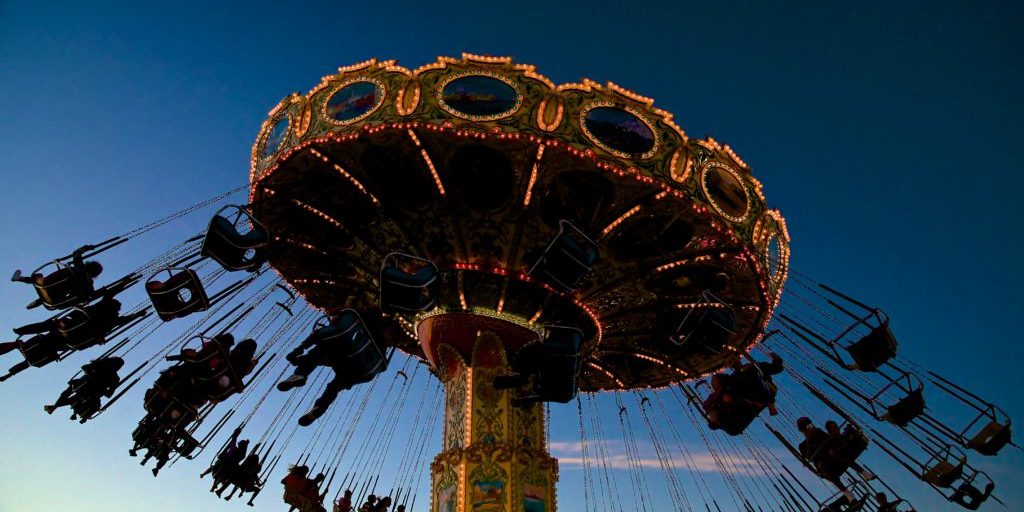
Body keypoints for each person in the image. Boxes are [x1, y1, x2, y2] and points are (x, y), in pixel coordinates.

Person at [278, 312, 384, 426]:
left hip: (344, 350)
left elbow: (316, 336)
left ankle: (300, 374)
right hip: (361, 368)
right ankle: (321, 407)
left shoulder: (345, 323)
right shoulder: (373, 336)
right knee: (335, 386)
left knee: (316, 354)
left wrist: (298, 350)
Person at [12, 245, 103, 309]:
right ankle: (37, 302)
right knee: (70, 290)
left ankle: (21, 279)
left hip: (49, 283)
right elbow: (91, 294)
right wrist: (101, 292)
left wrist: (86, 248)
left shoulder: (79, 267)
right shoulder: (88, 282)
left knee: (59, 277)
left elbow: (76, 253)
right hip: (57, 296)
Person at [44, 356, 124, 420]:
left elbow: (84, 367)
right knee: (76, 395)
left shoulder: (99, 364)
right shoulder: (115, 378)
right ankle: (54, 407)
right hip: (88, 392)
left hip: (82, 386)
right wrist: (104, 390)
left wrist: (91, 373)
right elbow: (109, 394)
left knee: (71, 390)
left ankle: (54, 406)